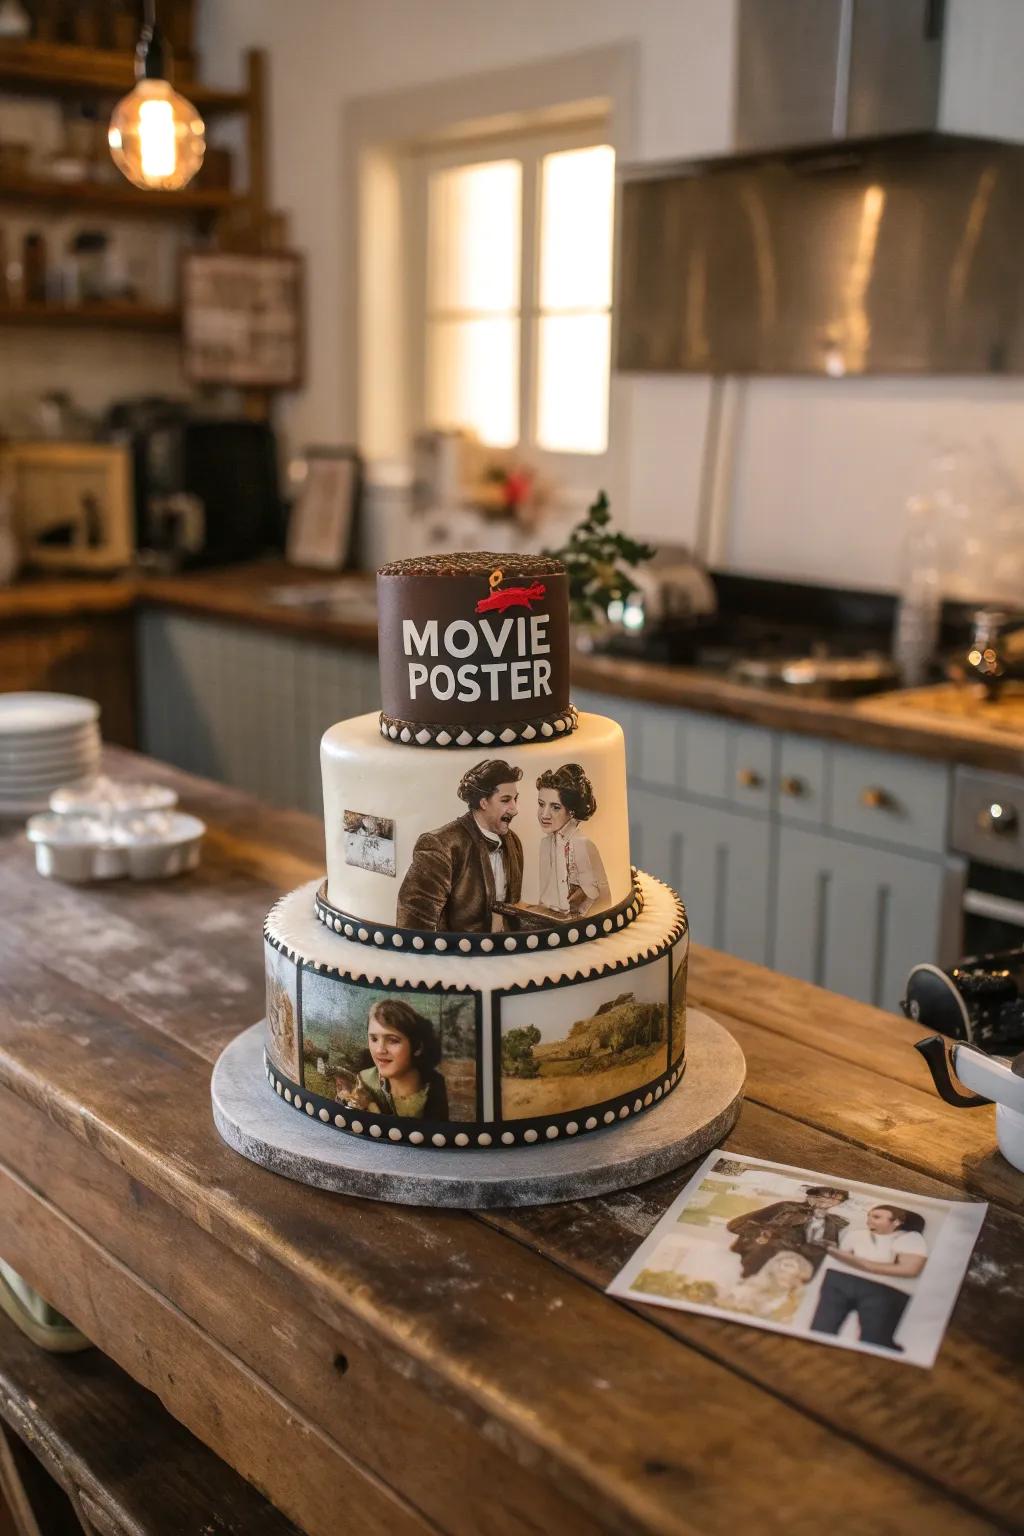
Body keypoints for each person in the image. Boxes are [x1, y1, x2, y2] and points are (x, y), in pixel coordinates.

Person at [396, 759, 524, 931]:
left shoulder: (512, 842)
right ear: (483, 802)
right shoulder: (439, 845)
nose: (515, 809)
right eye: (506, 800)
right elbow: (414, 926)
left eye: (515, 799)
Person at [810, 1205, 928, 1351]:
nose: (869, 1221)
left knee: (875, 1341)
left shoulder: (911, 1238)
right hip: (839, 1281)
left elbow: (910, 1269)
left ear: (896, 1222)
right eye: (869, 1216)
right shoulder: (856, 1235)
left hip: (884, 1290)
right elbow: (840, 1258)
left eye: (876, 1217)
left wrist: (863, 1264)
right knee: (820, 1330)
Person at [337, 997, 450, 1120]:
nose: (380, 1050)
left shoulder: (434, 1088)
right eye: (374, 1039)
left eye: (393, 1040)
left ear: (417, 1046)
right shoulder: (364, 1082)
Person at [535, 763, 611, 917]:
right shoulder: (545, 845)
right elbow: (544, 898)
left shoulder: (581, 844)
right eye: (541, 804)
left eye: (555, 807)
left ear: (571, 811)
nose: (544, 814)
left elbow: (603, 901)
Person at [726, 1185, 849, 1278]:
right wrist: (764, 1232)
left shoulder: (835, 1222)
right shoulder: (787, 1207)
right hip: (766, 1254)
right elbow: (737, 1225)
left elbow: (831, 1249)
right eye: (824, 1196)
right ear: (810, 1195)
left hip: (798, 1266)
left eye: (835, 1199)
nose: (828, 1201)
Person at [719, 1250, 815, 1324]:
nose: (784, 1270)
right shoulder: (748, 1289)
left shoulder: (794, 1300)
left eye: (790, 1266)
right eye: (784, 1266)